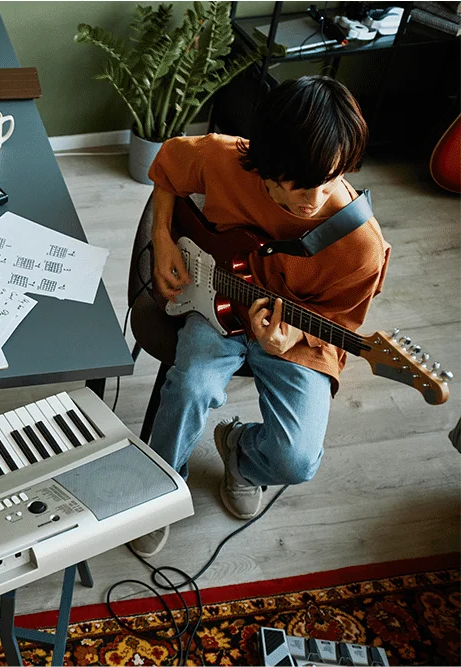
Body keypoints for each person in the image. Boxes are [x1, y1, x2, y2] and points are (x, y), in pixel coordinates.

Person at [132, 76, 390, 556]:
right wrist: (163, 238)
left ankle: (242, 455)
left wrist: (287, 343)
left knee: (297, 460)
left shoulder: (361, 249)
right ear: (266, 162)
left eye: (329, 179)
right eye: (295, 184)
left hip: (294, 336)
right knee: (190, 387)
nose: (313, 199)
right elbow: (167, 165)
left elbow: (340, 328)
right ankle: (159, 492)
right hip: (213, 305)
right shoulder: (225, 157)